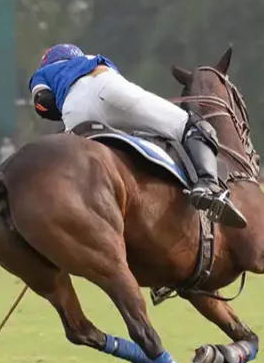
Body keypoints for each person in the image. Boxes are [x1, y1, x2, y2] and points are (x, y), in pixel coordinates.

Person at [28, 43, 247, 228]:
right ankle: (208, 186)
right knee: (191, 126)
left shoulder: (42, 74)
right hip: (111, 88)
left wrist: (60, 106)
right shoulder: (91, 59)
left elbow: (43, 103)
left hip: (74, 108)